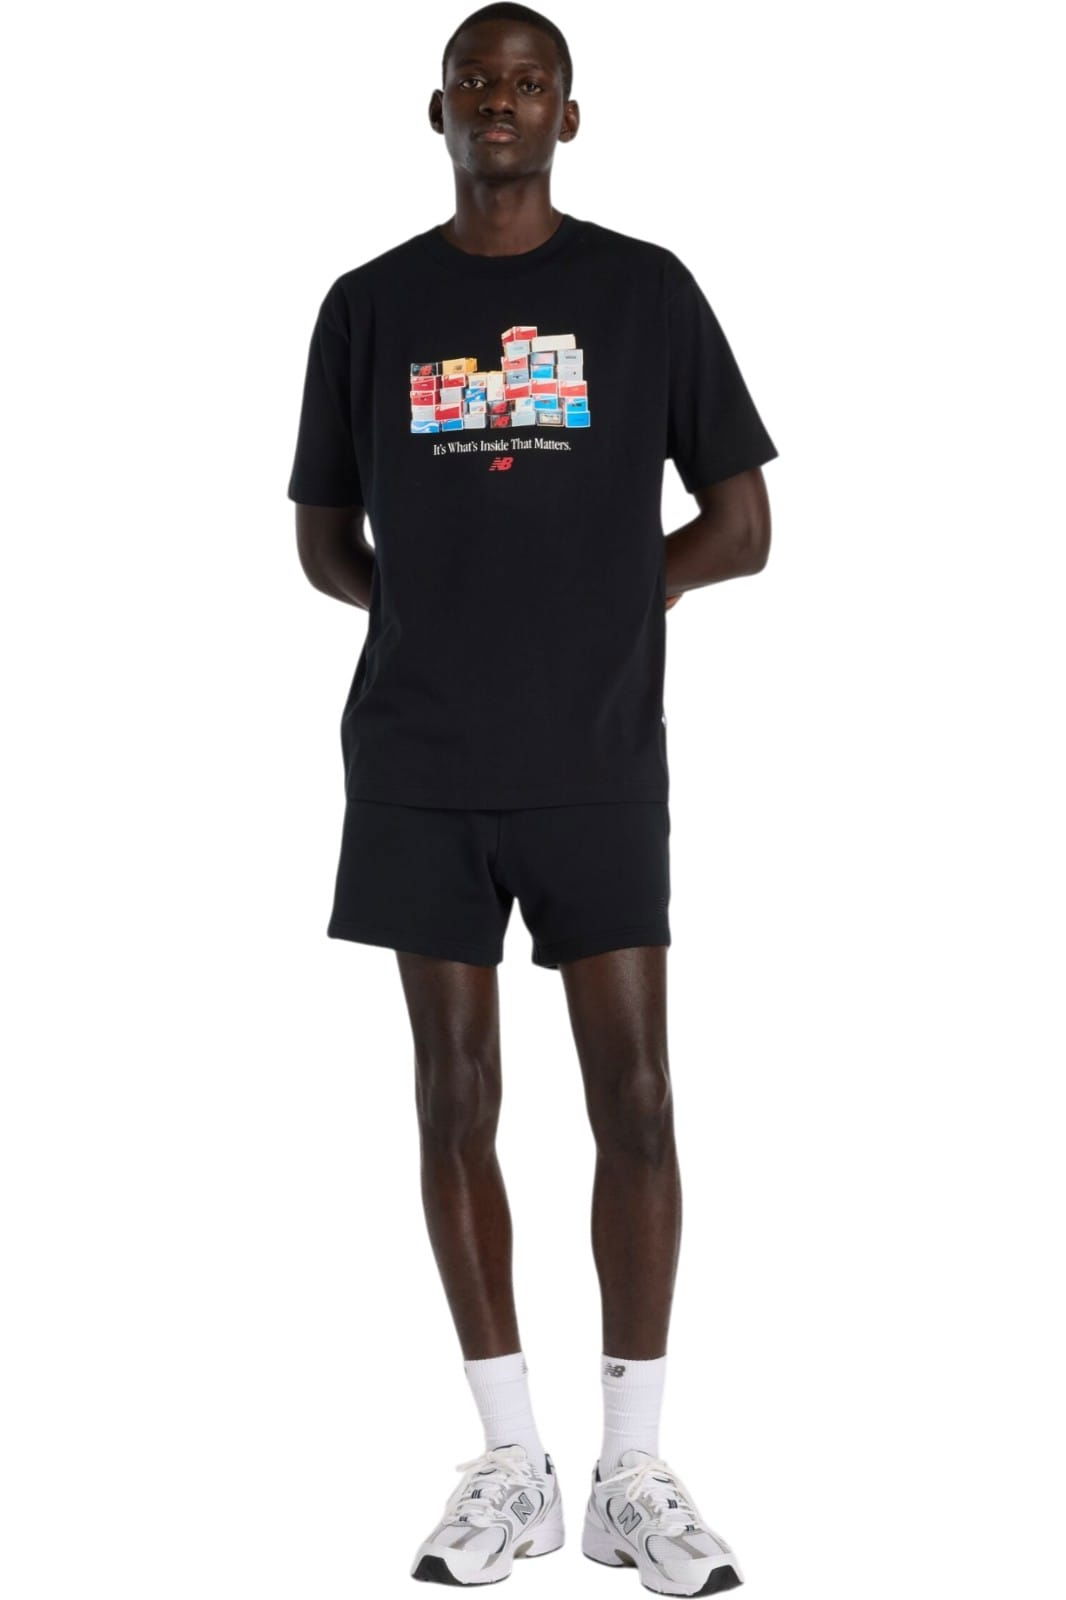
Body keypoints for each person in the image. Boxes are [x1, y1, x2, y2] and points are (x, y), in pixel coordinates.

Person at [286, 4, 776, 1590]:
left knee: (634, 1097)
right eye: (475, 82)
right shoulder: (369, 305)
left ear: (569, 117)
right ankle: (510, 1464)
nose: (499, 102)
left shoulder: (641, 293)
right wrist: (449, 622)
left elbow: (741, 526)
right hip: (419, 763)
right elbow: (324, 542)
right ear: (435, 109)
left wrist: (601, 602)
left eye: (529, 84)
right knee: (453, 1098)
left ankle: (634, 1474)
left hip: (592, 757)